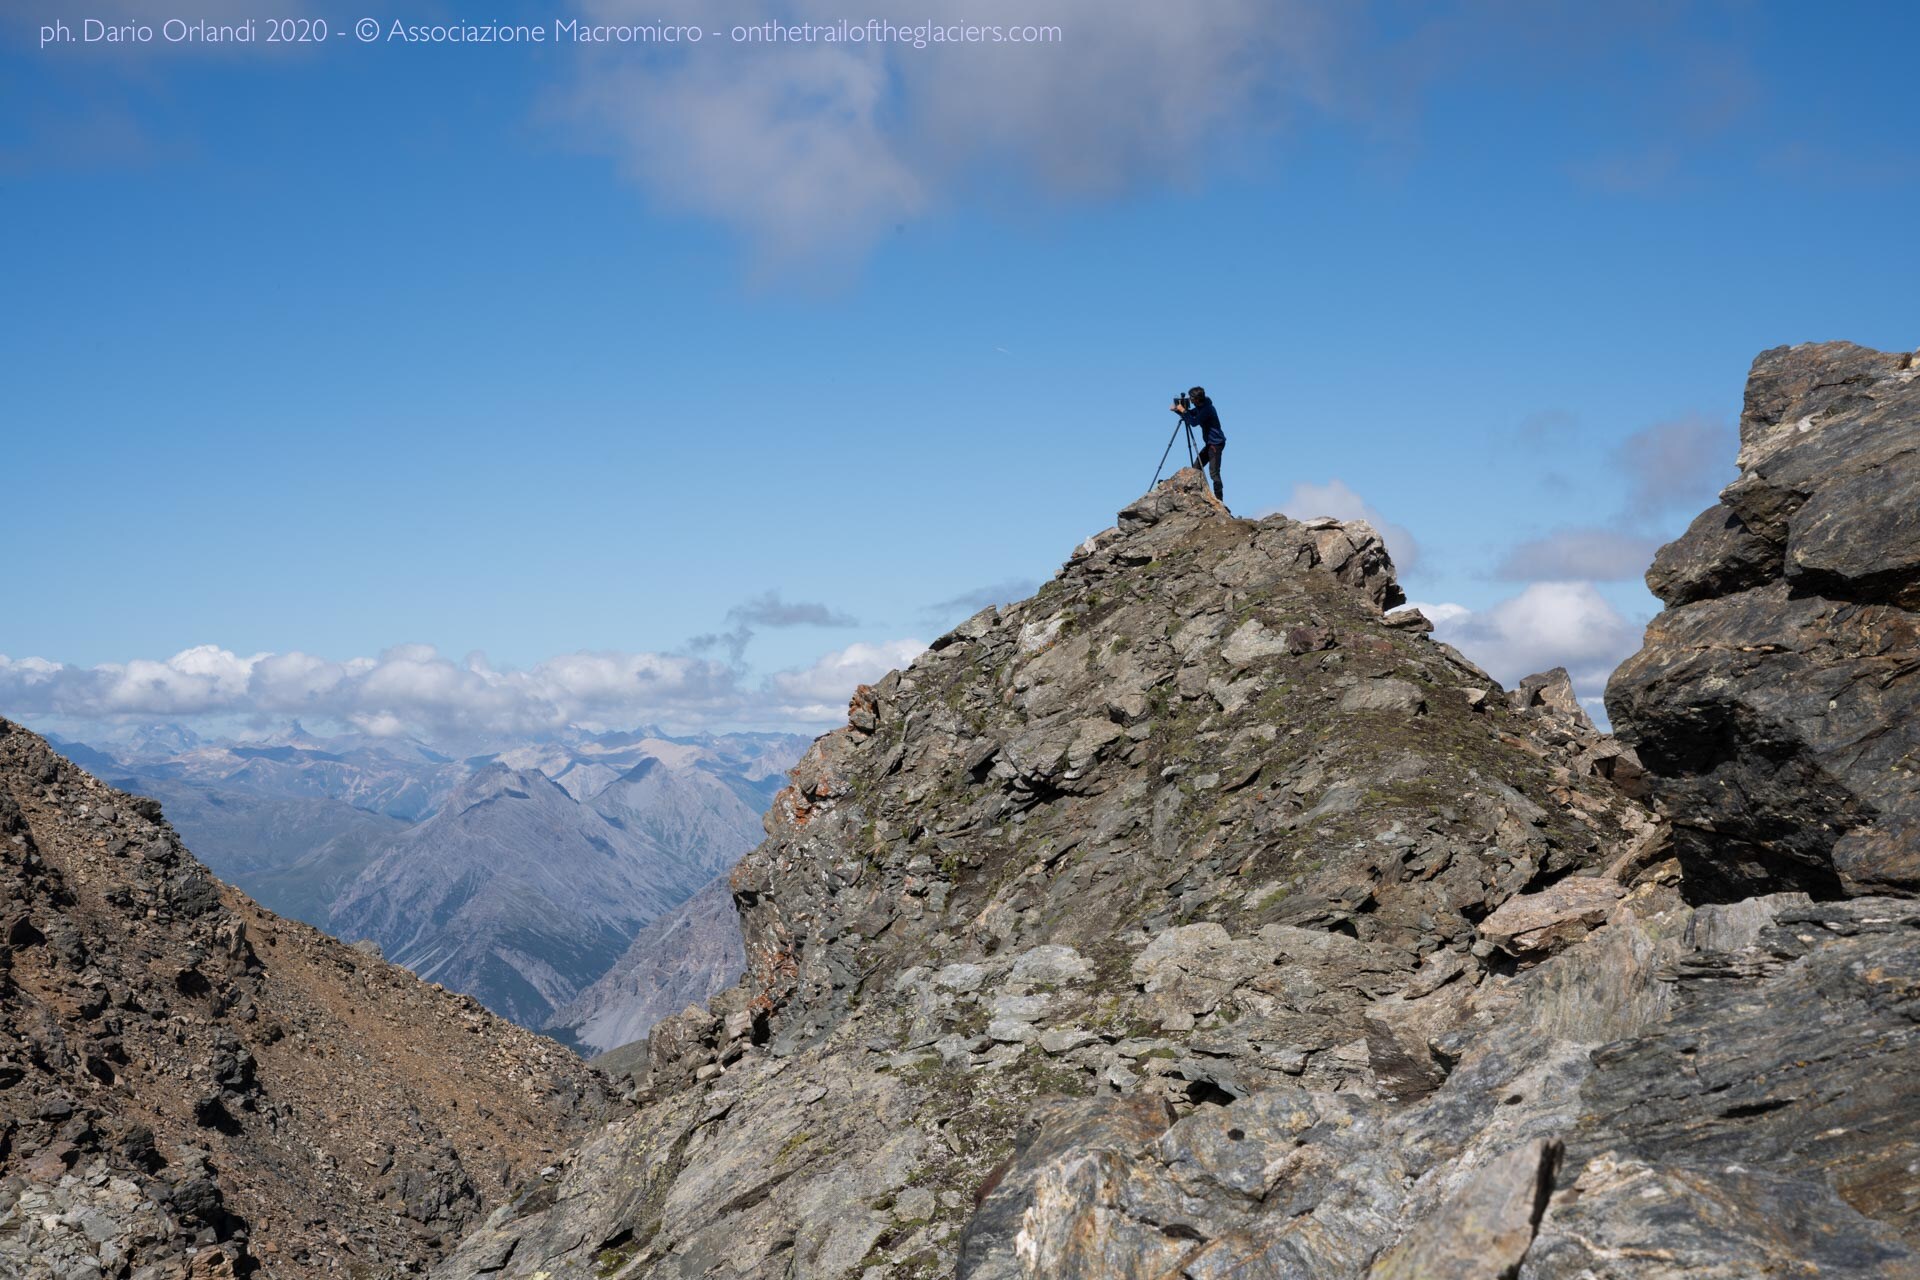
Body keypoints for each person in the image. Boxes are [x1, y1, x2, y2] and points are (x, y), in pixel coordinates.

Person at [1173, 386, 1226, 503]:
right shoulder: (1200, 406)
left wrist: (1183, 411)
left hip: (1216, 444)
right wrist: (1178, 410)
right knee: (1196, 467)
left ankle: (1219, 500)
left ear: (1197, 399)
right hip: (1210, 444)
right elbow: (1191, 413)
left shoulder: (1207, 409)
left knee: (1214, 473)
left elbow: (1194, 422)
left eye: (1191, 398)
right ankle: (1200, 494)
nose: (1190, 400)